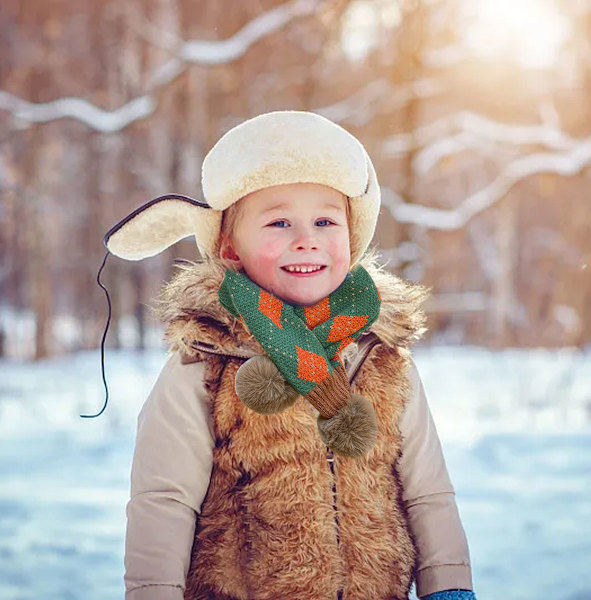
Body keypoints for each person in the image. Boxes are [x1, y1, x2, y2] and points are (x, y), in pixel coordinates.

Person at [103, 111, 476, 600]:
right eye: (279, 221)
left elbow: (428, 491)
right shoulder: (206, 362)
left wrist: (447, 585)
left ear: (351, 236)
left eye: (325, 220)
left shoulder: (380, 354)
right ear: (231, 249)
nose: (308, 238)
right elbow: (164, 500)